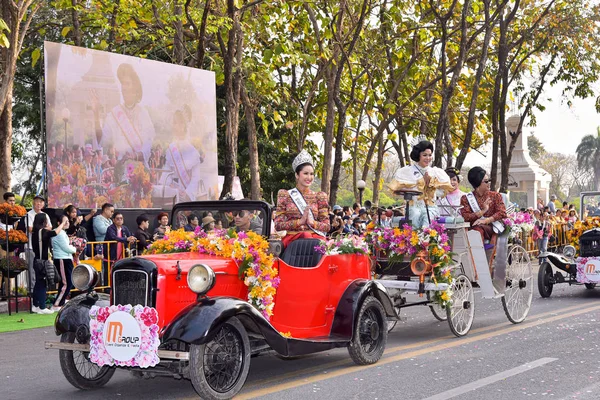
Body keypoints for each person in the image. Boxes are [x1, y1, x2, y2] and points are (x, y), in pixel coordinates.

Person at [91, 63, 155, 166]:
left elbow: (148, 141)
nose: (124, 88)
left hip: (141, 171)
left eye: (127, 83)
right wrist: (96, 114)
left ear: (134, 86)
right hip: (123, 172)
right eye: (122, 84)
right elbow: (102, 141)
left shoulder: (143, 113)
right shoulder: (114, 114)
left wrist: (136, 155)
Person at [388, 140, 453, 228]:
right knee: (415, 214)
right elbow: (401, 191)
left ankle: (427, 239)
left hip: (430, 207)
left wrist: (431, 186)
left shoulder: (435, 172)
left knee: (428, 216)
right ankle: (415, 240)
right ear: (418, 155)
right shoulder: (407, 171)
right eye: (425, 155)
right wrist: (421, 183)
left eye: (430, 155)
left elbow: (441, 193)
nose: (428, 158)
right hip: (414, 206)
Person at [273, 150, 330, 247]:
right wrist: (299, 222)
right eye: (306, 173)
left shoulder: (319, 197)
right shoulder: (285, 195)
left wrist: (313, 223)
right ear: (297, 175)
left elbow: (327, 226)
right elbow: (278, 225)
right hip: (293, 241)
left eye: (311, 174)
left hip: (315, 239)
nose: (309, 177)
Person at [165, 106, 206, 201]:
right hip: (173, 196)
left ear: (184, 125)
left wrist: (187, 194)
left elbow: (196, 178)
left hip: (187, 198)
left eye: (178, 123)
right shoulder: (170, 149)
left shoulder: (193, 152)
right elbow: (167, 172)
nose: (175, 126)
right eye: (174, 123)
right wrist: (169, 185)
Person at [460, 167, 507, 243]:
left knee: (478, 230)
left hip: (492, 227)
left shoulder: (495, 196)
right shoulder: (466, 198)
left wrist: (486, 220)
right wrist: (482, 211)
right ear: (478, 183)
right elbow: (466, 217)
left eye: (489, 181)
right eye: (486, 181)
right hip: (472, 228)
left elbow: (502, 213)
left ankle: (476, 254)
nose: (489, 183)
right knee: (475, 230)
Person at [31, 213, 66, 314]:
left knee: (38, 283)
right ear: (44, 221)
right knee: (42, 284)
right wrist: (63, 223)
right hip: (43, 262)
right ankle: (42, 307)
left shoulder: (35, 232)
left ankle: (35, 305)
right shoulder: (43, 231)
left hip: (37, 260)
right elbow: (55, 232)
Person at [51, 215, 77, 311]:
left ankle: (61, 300)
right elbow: (66, 248)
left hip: (66, 259)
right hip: (62, 259)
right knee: (66, 283)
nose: (67, 223)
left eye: (68, 221)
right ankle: (57, 304)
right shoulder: (59, 233)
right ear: (59, 223)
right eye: (65, 221)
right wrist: (75, 249)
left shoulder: (62, 233)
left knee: (66, 283)